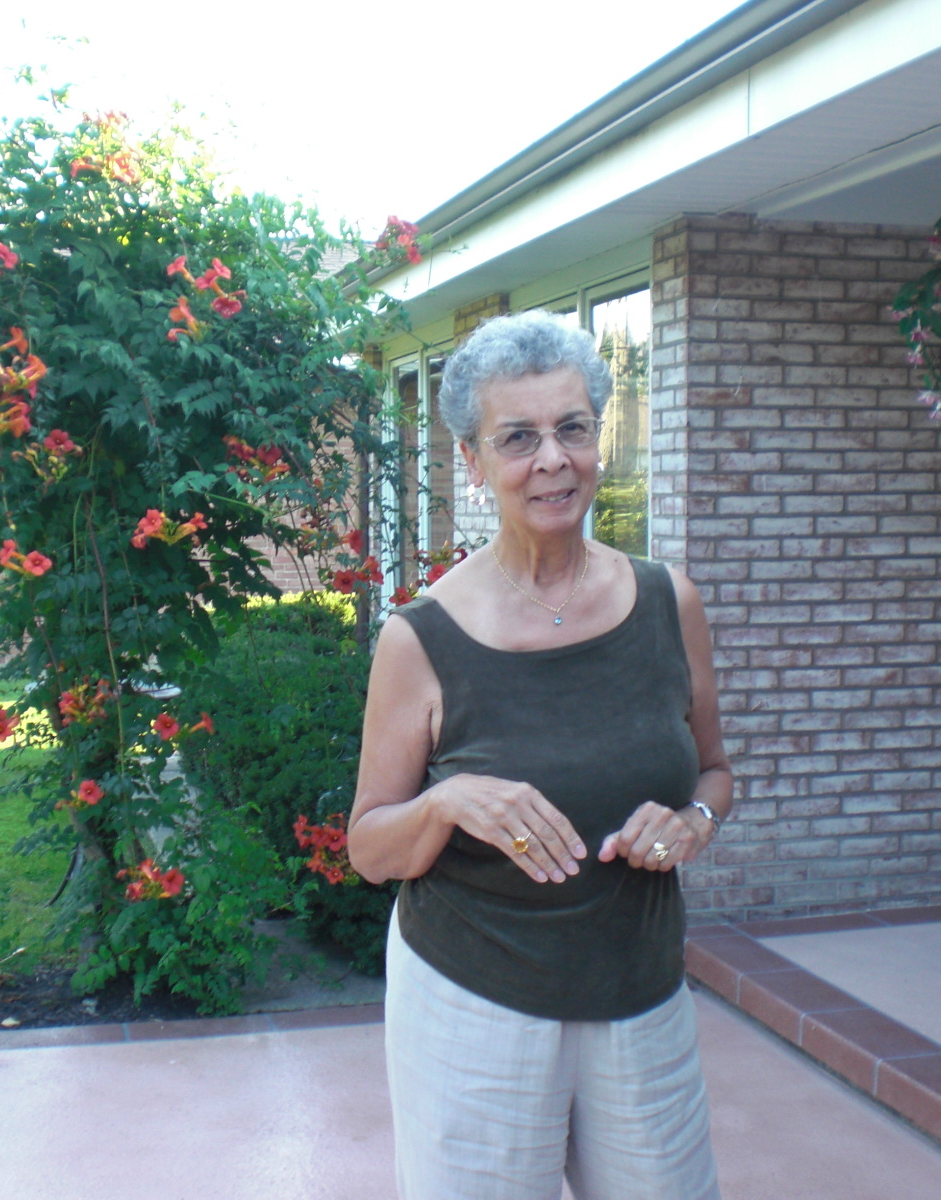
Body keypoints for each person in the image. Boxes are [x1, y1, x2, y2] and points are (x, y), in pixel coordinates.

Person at [348, 310, 734, 1200]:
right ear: (474, 461)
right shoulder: (421, 638)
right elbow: (369, 847)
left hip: (641, 995)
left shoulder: (668, 602)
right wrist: (448, 803)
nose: (552, 459)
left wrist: (693, 822)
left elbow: (715, 772)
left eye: (572, 428)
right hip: (473, 1001)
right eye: (518, 437)